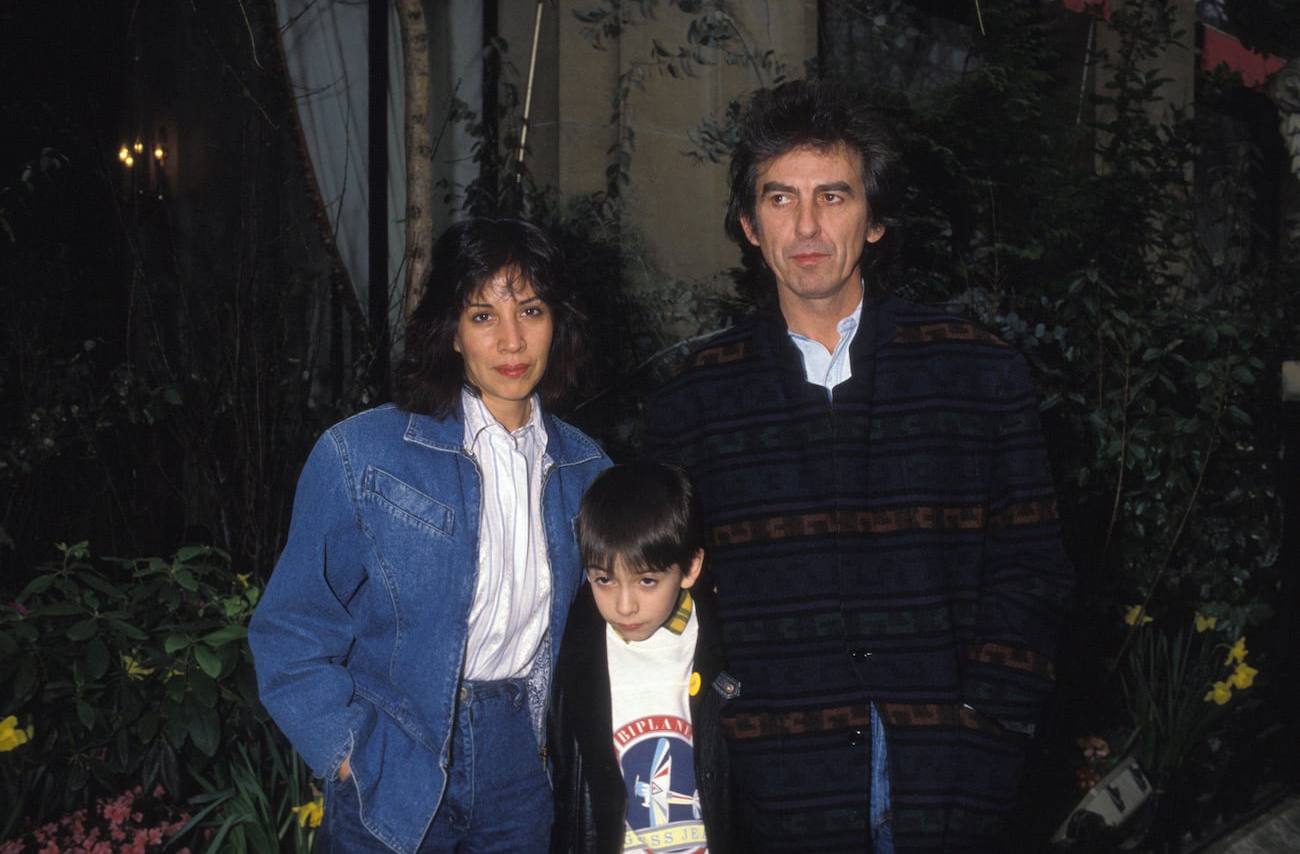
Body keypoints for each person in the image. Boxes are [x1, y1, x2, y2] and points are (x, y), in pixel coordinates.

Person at [643, 80, 1074, 852]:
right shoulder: (693, 400)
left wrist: (994, 721)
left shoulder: (977, 374)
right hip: (775, 788)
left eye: (833, 196)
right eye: (781, 198)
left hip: (948, 779)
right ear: (749, 224)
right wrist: (726, 719)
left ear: (874, 220)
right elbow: (667, 592)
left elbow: (1031, 565)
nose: (807, 225)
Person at [249, 217, 612, 854]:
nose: (512, 339)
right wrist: (347, 752)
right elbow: (291, 627)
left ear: (559, 322)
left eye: (531, 310)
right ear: (450, 331)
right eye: (482, 316)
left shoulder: (588, 472)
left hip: (523, 771)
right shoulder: (361, 454)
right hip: (394, 757)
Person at [549, 461, 738, 854]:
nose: (624, 605)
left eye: (647, 581)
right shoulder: (576, 653)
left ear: (690, 568)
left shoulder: (723, 646)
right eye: (604, 580)